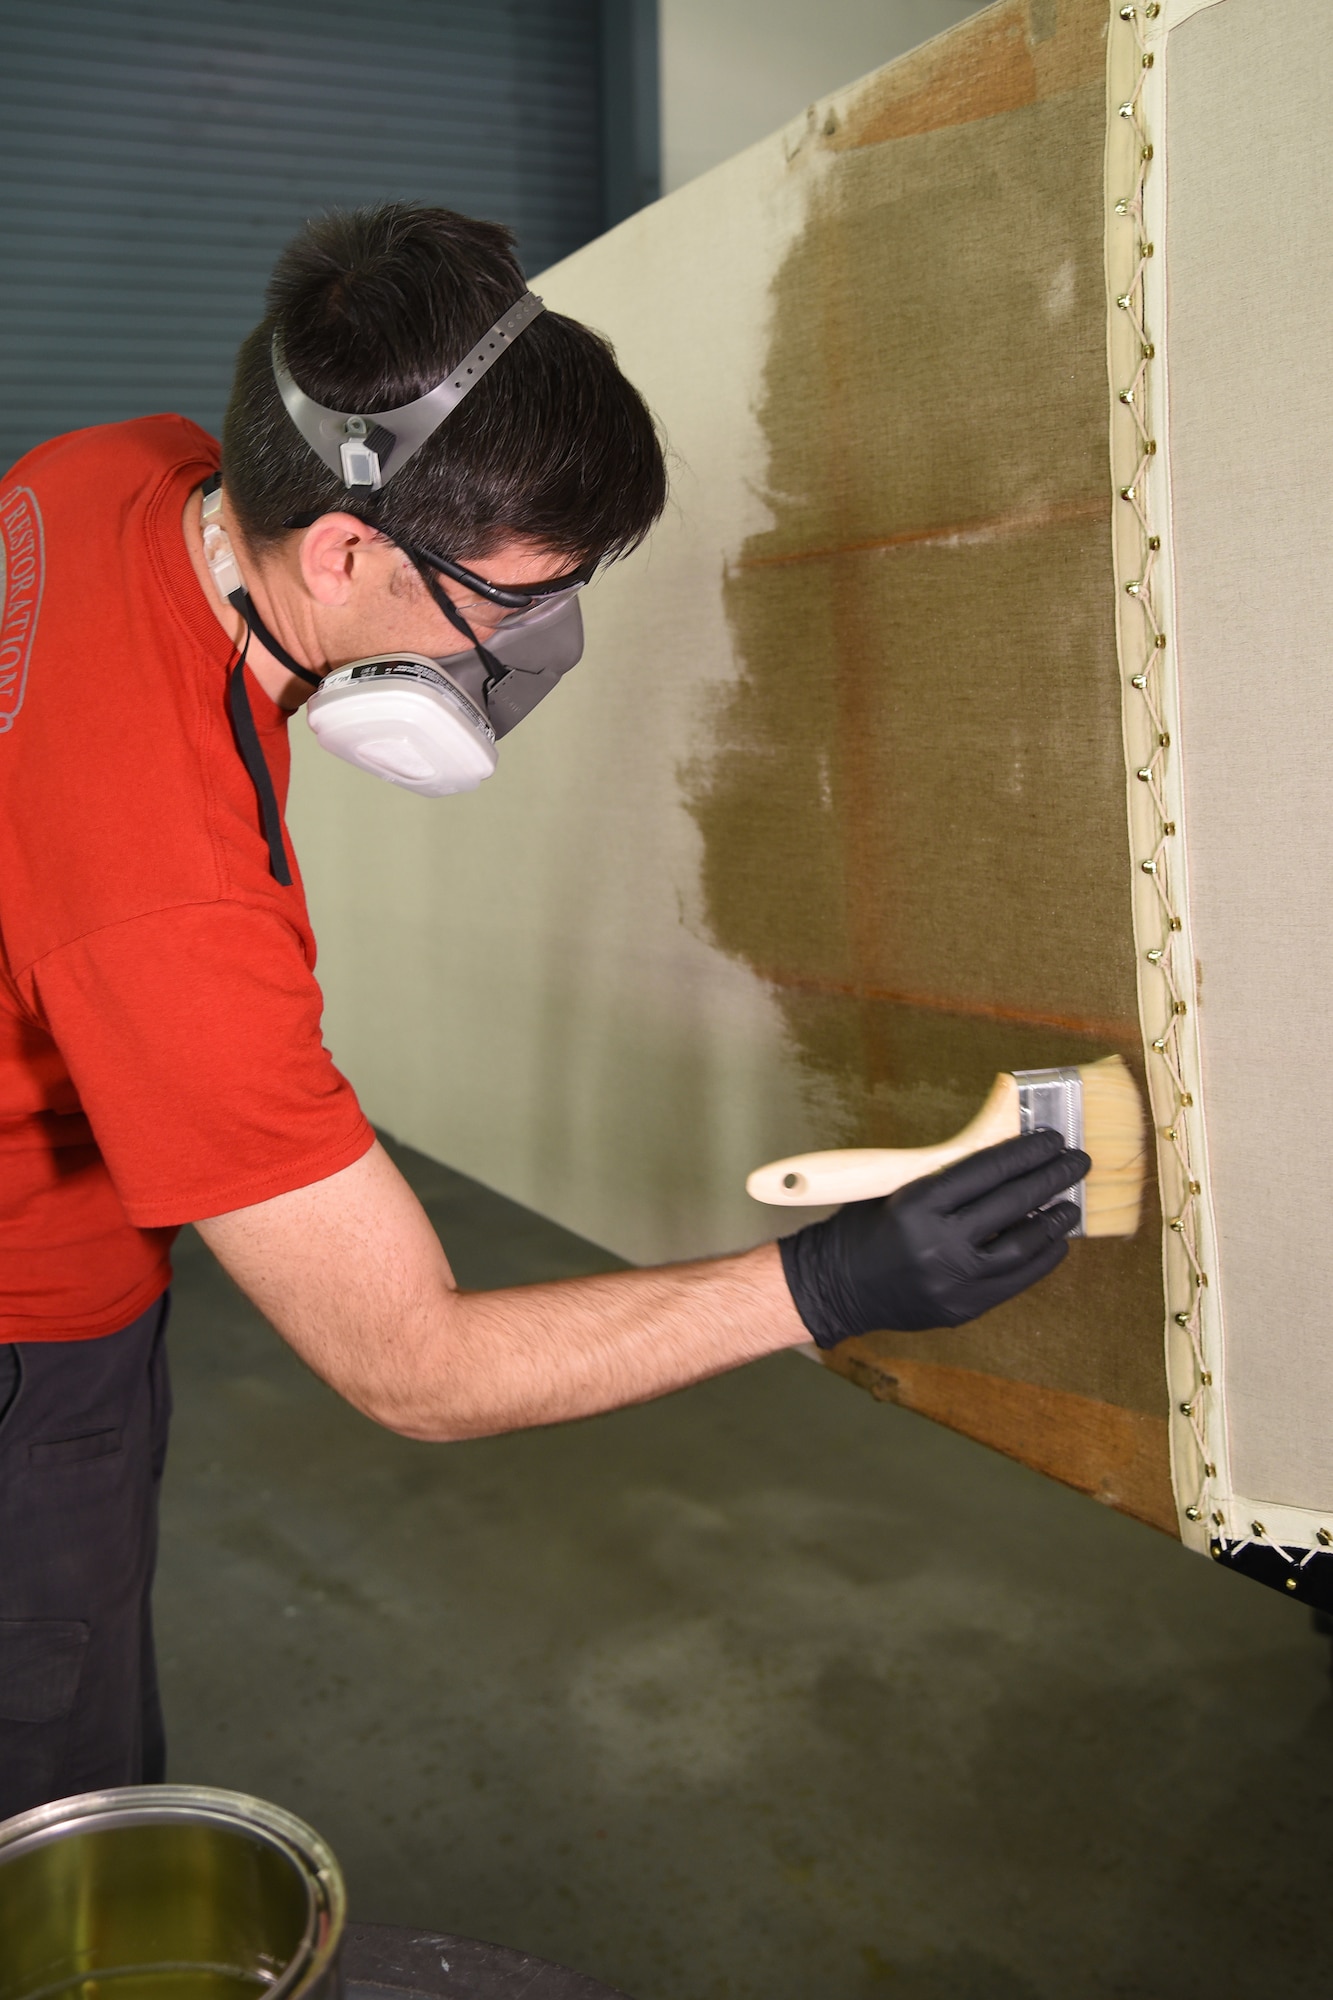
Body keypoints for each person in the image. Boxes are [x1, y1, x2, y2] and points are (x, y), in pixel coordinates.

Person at [0, 203, 1086, 1818]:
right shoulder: (170, 912)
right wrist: (833, 1282)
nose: (533, 640)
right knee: (56, 1784)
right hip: (30, 1327)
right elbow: (412, 1367)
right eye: (515, 601)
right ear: (349, 549)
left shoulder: (114, 475)